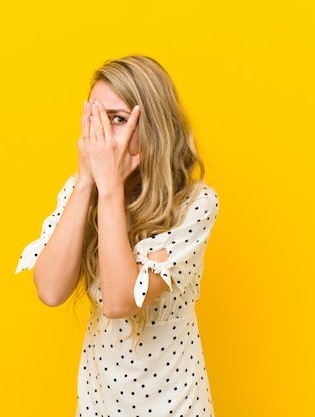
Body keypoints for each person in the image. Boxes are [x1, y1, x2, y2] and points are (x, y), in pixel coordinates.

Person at [15, 55, 219, 416]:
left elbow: (120, 300)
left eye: (119, 120)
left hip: (174, 405)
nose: (102, 137)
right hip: (101, 404)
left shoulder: (194, 205)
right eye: (95, 119)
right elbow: (49, 289)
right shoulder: (82, 191)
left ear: (153, 127)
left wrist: (109, 188)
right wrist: (86, 183)